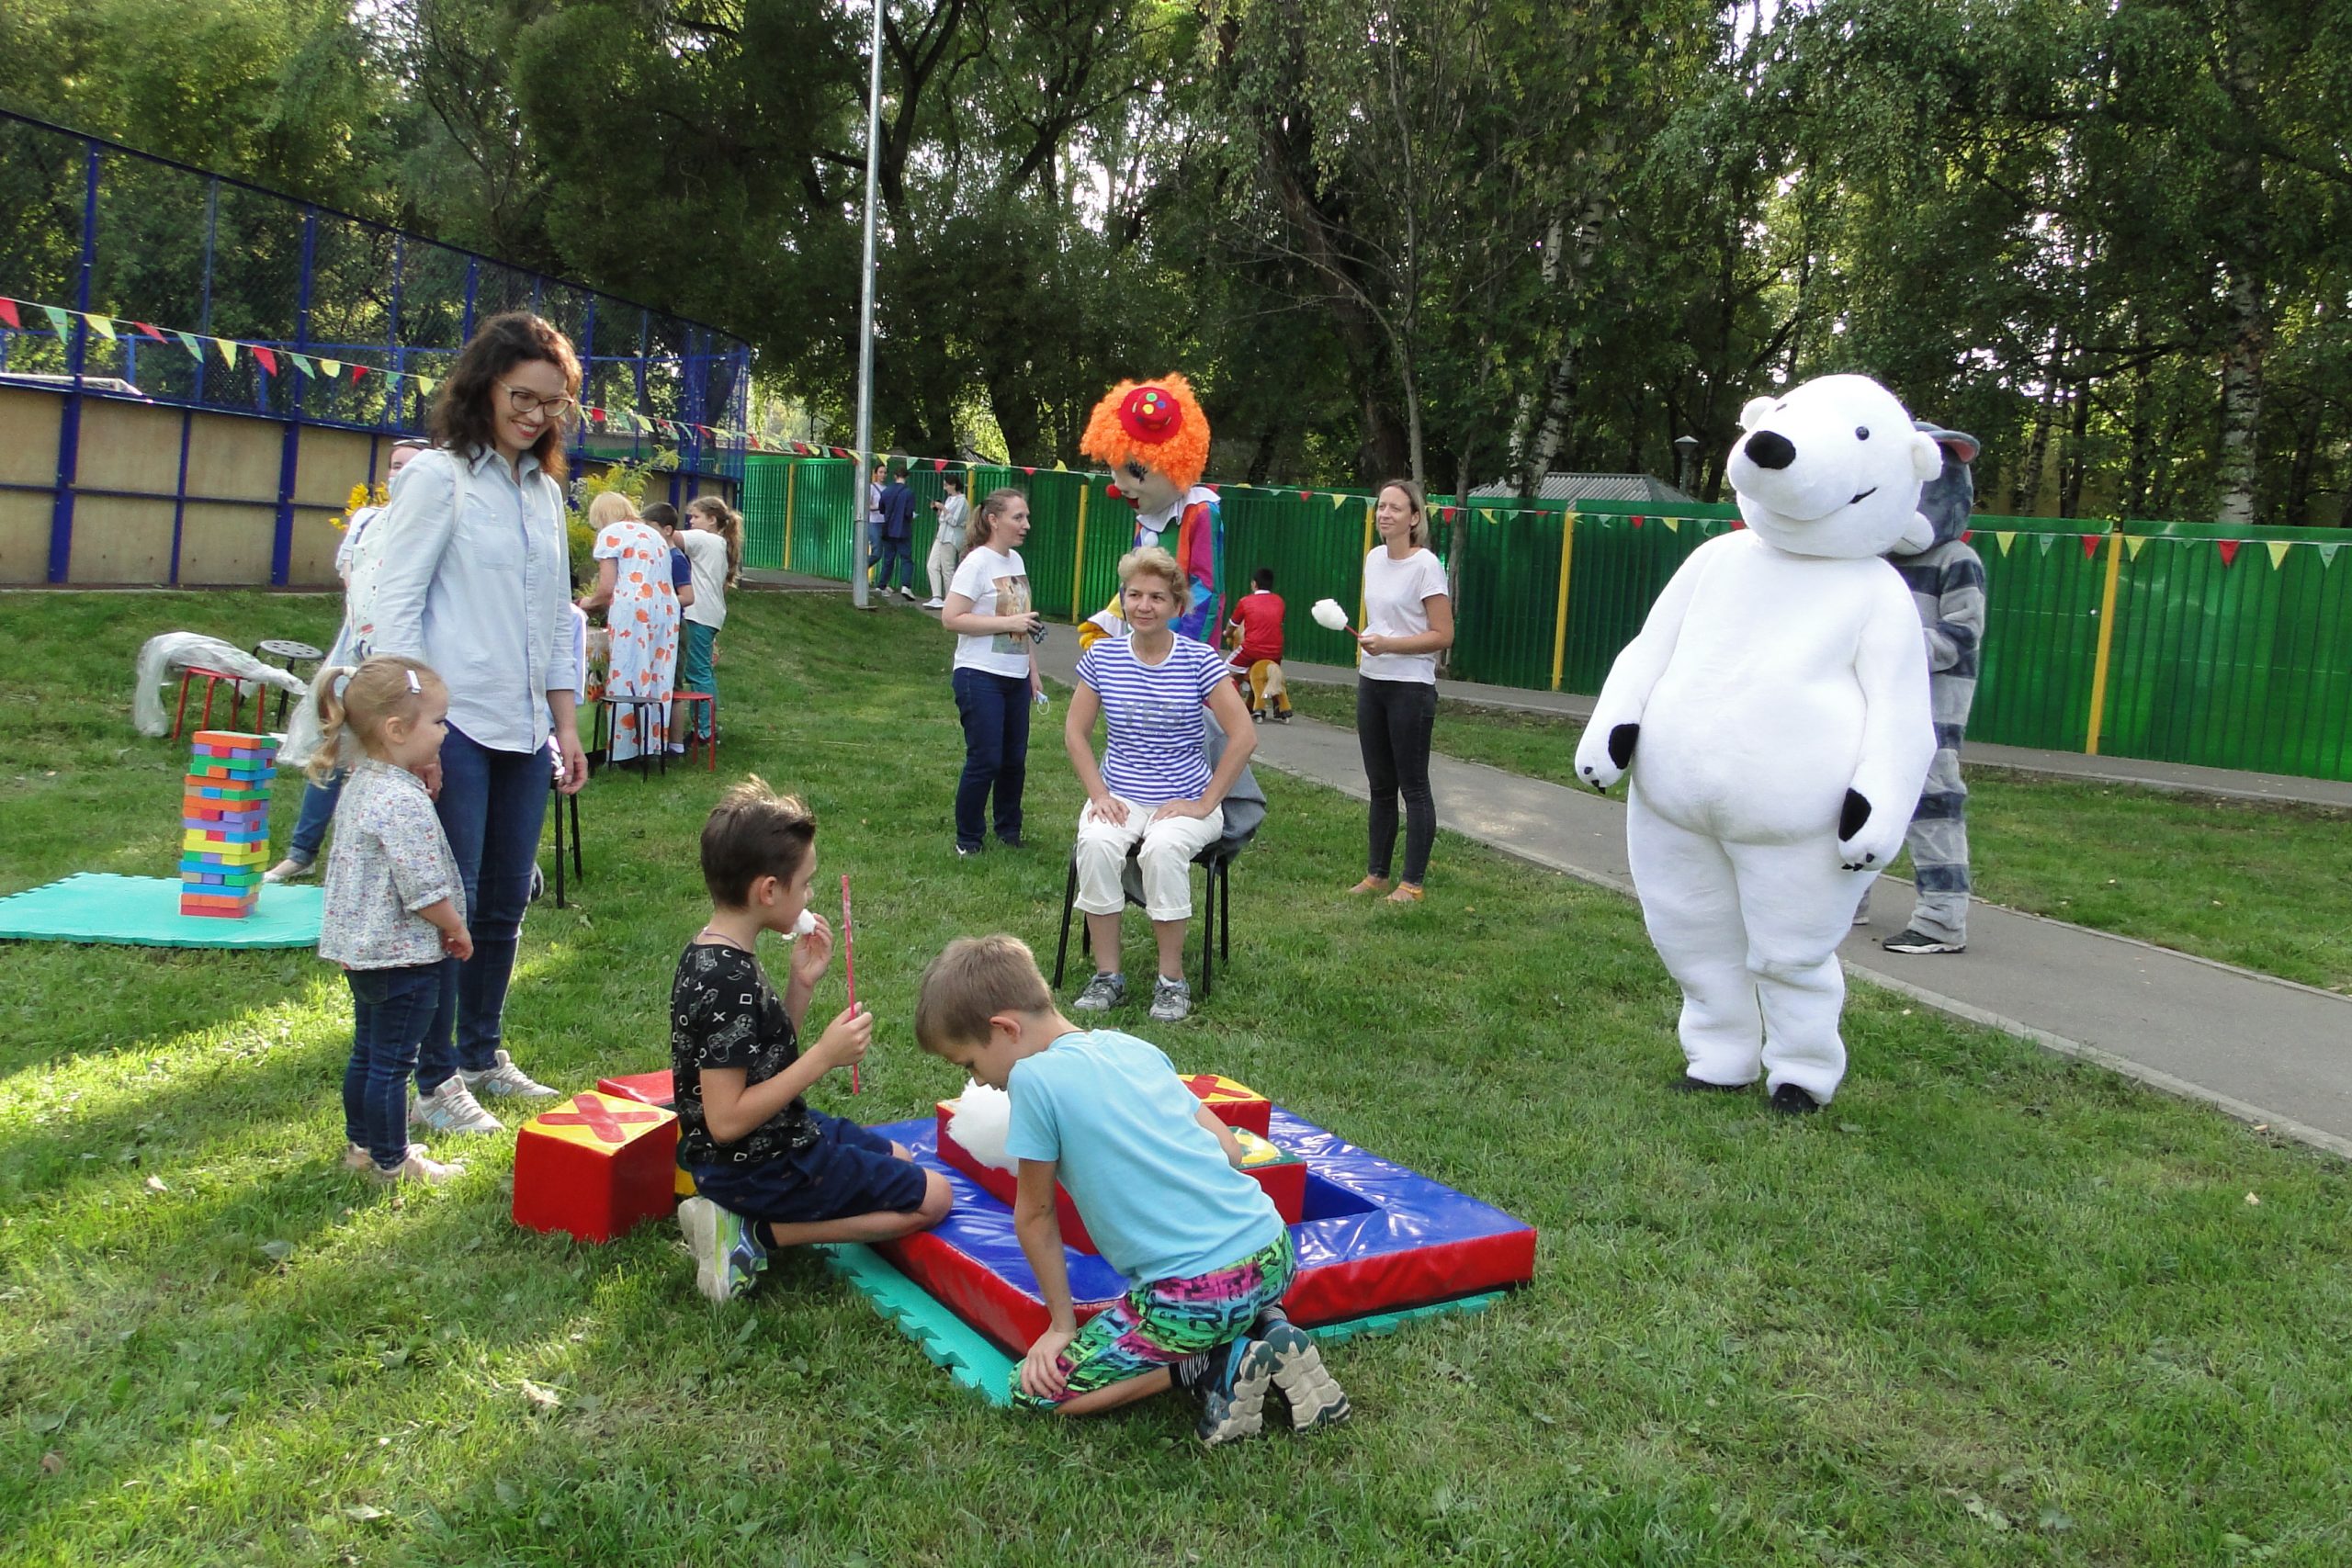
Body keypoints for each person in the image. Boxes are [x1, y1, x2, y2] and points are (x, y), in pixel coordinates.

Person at [914, 933, 1348, 1443]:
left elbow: (1035, 1216)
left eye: (969, 1064)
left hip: (1195, 1295)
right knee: (1229, 1297)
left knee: (1034, 1391)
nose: (981, 1083)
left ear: (1004, 1028)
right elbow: (1231, 1152)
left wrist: (1060, 1327)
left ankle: (1211, 1365)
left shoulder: (1033, 1081)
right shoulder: (1132, 1046)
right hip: (1275, 1253)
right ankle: (1265, 1325)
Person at [363, 310, 588, 1135]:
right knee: (446, 904)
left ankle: (484, 1053)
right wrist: (413, 730)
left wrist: (566, 726)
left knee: (503, 905)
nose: (535, 416)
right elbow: (398, 606)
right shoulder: (438, 477)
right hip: (453, 730)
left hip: (528, 733)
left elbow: (556, 621)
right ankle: (434, 1080)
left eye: (552, 404)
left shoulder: (546, 490)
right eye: (522, 397)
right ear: (483, 386)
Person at [672, 780, 953, 1303]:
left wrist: (800, 985)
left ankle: (736, 1217)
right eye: (806, 884)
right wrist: (825, 1057)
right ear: (769, 891)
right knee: (934, 1198)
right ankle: (755, 1234)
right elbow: (727, 1119)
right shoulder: (727, 980)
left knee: (903, 1159)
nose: (810, 896)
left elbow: (760, 1059)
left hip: (771, 1137)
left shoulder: (712, 953)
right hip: (754, 1163)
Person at [1064, 547, 1257, 1022]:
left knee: (1163, 850)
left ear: (1176, 607)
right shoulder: (1103, 657)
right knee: (1094, 843)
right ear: (1123, 599)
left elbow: (1244, 736)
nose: (1143, 606)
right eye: (1134, 595)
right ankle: (1108, 975)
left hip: (1184, 801)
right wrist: (1099, 795)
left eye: (1156, 597)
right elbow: (1074, 733)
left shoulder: (1199, 660)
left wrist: (1205, 801)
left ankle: (1172, 981)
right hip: (1120, 796)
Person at [311, 655, 475, 1187]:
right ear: (397, 729)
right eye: (437, 721)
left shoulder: (362, 782)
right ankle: (391, 1160)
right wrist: (455, 927)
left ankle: (362, 1146)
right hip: (401, 954)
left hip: (363, 951)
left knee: (369, 1050)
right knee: (393, 1062)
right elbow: (423, 889)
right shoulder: (400, 800)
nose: (445, 732)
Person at [267, 438, 430, 884]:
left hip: (411, 656)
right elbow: (352, 579)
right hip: (357, 649)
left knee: (403, 755)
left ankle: (405, 861)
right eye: (394, 466)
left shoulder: (433, 523)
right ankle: (302, 851)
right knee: (332, 747)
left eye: (410, 468)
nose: (399, 475)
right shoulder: (365, 522)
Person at [1875, 423, 1986, 955]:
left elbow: (1961, 637)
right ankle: (1842, 901)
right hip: (1870, 707)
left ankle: (1943, 920)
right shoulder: (1872, 561)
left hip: (1931, 713)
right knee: (1850, 800)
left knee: (1932, 806)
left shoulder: (1955, 560)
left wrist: (1885, 644)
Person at [1349, 479, 1453, 905]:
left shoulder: (1426, 565)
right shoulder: (1374, 559)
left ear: (1414, 518)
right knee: (1379, 785)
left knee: (1413, 785)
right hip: (1372, 681)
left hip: (1411, 687)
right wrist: (1374, 642)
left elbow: (1443, 634)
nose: (1385, 513)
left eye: (1395, 508)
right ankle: (1377, 874)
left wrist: (1390, 644)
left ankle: (1412, 883)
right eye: (1381, 506)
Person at [941, 489, 1045, 857]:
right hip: (978, 674)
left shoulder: (1015, 561)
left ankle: (1009, 832)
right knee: (986, 759)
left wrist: (1032, 670)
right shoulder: (976, 564)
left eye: (1026, 517)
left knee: (1014, 760)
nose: (1026, 525)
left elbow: (1024, 621)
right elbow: (951, 618)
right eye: (1019, 518)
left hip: (1014, 676)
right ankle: (968, 840)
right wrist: (1007, 622)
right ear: (993, 520)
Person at [577, 490, 681, 764]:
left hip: (633, 608)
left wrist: (584, 603)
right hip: (665, 608)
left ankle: (624, 750)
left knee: (627, 670)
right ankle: (653, 744)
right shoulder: (653, 534)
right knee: (657, 673)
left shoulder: (611, 535)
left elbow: (606, 588)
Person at [674, 496, 740, 749]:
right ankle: (706, 727)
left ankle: (705, 731)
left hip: (698, 614)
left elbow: (666, 535)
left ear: (712, 520)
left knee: (698, 673)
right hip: (708, 613)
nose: (690, 522)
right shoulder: (717, 542)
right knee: (702, 671)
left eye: (695, 517)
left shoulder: (705, 539)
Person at [1223, 566, 1291, 722]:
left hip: (1251, 649)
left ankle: (1229, 706)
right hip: (1276, 653)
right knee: (1264, 674)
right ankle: (1276, 706)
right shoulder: (1279, 601)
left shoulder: (1245, 601)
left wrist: (1227, 634)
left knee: (1223, 671)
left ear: (1254, 584)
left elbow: (1233, 624)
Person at [872, 464, 919, 601]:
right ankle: (906, 586)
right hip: (903, 530)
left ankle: (881, 586)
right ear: (907, 477)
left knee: (888, 559)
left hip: (887, 529)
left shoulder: (886, 491)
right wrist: (912, 517)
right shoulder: (909, 493)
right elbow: (908, 513)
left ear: (894, 476)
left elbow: (881, 509)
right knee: (906, 559)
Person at [924, 473, 968, 608]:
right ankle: (936, 596)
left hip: (951, 538)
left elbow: (955, 521)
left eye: (946, 485)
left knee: (947, 569)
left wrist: (943, 508)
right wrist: (938, 510)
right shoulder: (949, 499)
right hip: (941, 535)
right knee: (932, 565)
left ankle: (950, 600)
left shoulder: (962, 501)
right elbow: (943, 519)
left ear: (953, 485)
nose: (945, 488)